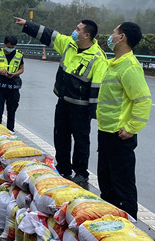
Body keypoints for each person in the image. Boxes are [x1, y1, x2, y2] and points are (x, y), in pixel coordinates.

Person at [14, 16, 106, 185]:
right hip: (63, 101)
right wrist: (27, 25)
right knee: (60, 136)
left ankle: (81, 172)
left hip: (81, 107)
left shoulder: (98, 58)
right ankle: (63, 168)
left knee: (81, 140)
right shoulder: (69, 45)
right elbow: (49, 34)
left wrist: (92, 113)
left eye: (78, 29)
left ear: (87, 35)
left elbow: (97, 87)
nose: (74, 31)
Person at [96, 22, 152, 220]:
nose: (110, 36)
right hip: (106, 133)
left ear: (122, 37)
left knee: (122, 185)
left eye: (114, 32)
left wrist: (131, 128)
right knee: (106, 182)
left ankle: (129, 226)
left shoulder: (130, 67)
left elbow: (143, 101)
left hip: (120, 136)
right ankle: (111, 224)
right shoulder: (114, 64)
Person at [0, 35, 24, 132]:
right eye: (9, 47)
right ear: (5, 44)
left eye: (13, 47)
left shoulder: (19, 54)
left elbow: (21, 69)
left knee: (11, 112)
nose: (10, 49)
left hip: (13, 87)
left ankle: (10, 131)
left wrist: (14, 74)